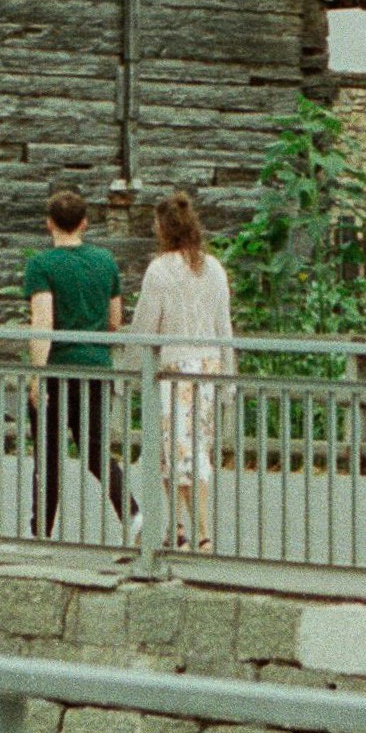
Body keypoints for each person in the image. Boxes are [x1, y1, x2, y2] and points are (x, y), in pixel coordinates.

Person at [22, 187, 137, 544]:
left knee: (49, 455)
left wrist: (37, 376)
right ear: (85, 224)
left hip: (58, 369)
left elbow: (43, 323)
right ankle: (133, 515)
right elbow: (115, 320)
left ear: (49, 224)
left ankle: (42, 529)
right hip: (97, 368)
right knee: (95, 450)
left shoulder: (42, 265)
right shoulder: (105, 262)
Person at [128, 190, 235, 552]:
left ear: (162, 228)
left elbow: (145, 326)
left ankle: (192, 530)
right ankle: (187, 528)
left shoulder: (160, 270)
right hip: (207, 367)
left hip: (174, 368)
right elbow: (225, 327)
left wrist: (128, 369)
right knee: (189, 449)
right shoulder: (214, 269)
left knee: (175, 450)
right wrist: (228, 379)